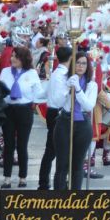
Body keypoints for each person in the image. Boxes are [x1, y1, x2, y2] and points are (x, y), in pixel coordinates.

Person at [0, 46, 43, 188]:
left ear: (24, 59)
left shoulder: (31, 73)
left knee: (22, 145)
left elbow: (39, 93)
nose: (12, 59)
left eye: (16, 57)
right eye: (12, 56)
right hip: (8, 110)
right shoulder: (5, 72)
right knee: (8, 144)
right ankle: (7, 177)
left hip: (24, 110)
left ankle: (23, 177)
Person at [53, 52, 97, 190]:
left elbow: (88, 106)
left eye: (83, 63)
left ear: (87, 66)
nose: (80, 66)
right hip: (65, 121)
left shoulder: (92, 85)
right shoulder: (65, 79)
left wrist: (78, 89)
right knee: (62, 164)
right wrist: (67, 87)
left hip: (83, 124)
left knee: (77, 165)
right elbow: (57, 102)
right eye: (77, 62)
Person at [37, 46, 72, 190]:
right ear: (70, 58)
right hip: (57, 113)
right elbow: (58, 99)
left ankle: (45, 182)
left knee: (51, 150)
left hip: (53, 112)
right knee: (54, 150)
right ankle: (47, 183)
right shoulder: (61, 76)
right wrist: (69, 91)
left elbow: (45, 93)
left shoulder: (57, 73)